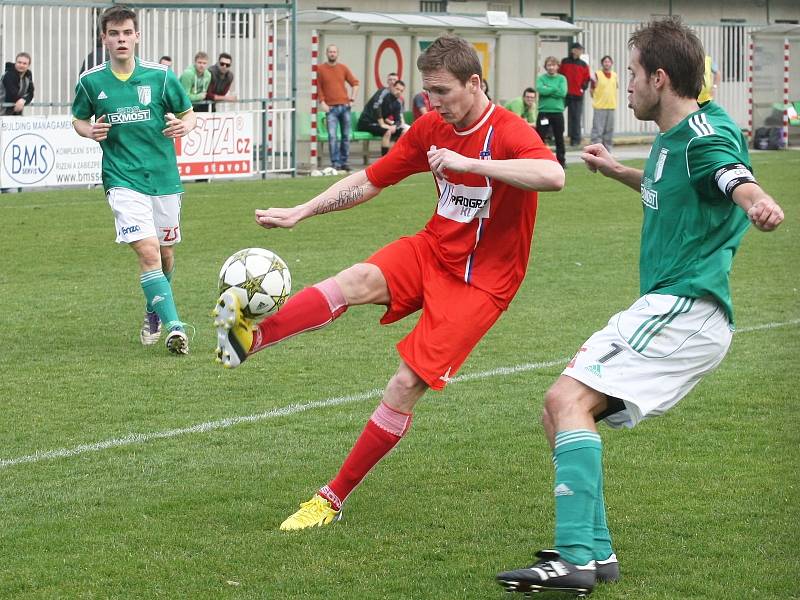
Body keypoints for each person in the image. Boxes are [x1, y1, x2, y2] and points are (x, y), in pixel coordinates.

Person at [213, 34, 565, 531]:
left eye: (442, 91)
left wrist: (471, 164)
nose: (432, 101)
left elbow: (552, 176)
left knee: (403, 384)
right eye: (428, 91)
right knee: (353, 280)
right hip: (433, 249)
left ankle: (330, 499)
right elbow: (371, 179)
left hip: (483, 283)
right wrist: (303, 211)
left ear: (475, 83)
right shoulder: (429, 127)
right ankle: (250, 336)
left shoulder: (507, 131)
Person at [496, 17, 784, 596]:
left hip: (689, 303)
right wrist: (617, 171)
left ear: (660, 77)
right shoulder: (671, 140)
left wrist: (756, 201)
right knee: (556, 412)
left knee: (565, 398)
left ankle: (576, 560)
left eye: (630, 74)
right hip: (672, 304)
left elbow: (731, 174)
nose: (623, 85)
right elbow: (674, 185)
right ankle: (595, 553)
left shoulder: (705, 134)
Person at [72, 6, 197, 355]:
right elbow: (78, 119)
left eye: (127, 32)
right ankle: (175, 326)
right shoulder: (91, 81)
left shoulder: (161, 77)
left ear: (137, 36)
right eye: (114, 34)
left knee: (166, 253)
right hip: (121, 178)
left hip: (164, 179)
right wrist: (89, 130)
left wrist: (183, 126)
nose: (121, 39)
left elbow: (188, 115)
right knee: (147, 251)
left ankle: (154, 308)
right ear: (104, 39)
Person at [317, 44, 360, 171]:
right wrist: (322, 102)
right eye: (330, 52)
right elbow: (318, 87)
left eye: (334, 52)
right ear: (326, 53)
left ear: (337, 53)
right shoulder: (320, 69)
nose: (332, 54)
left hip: (345, 106)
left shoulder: (343, 68)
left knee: (346, 136)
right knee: (332, 136)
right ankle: (335, 162)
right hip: (330, 108)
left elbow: (355, 83)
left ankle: (344, 161)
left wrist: (352, 99)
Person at [357, 79, 408, 157]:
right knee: (387, 131)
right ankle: (384, 159)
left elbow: (398, 120)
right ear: (393, 87)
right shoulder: (383, 92)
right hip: (366, 122)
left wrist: (395, 126)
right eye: (397, 89)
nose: (399, 92)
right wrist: (382, 123)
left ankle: (395, 156)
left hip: (379, 124)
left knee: (403, 131)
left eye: (401, 91)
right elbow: (376, 106)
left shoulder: (397, 103)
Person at [536, 56, 567, 167]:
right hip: (544, 112)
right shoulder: (541, 78)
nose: (551, 67)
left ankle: (561, 161)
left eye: (553, 65)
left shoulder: (562, 79)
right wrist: (555, 88)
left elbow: (563, 93)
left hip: (557, 112)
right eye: (549, 65)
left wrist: (548, 88)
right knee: (540, 137)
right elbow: (540, 90)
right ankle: (538, 160)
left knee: (559, 137)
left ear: (557, 66)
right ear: (545, 66)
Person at [559, 42, 591, 147]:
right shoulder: (564, 62)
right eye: (578, 49)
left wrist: (583, 87)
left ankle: (575, 140)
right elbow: (560, 75)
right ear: (573, 50)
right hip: (564, 94)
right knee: (556, 114)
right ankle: (551, 135)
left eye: (581, 50)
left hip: (577, 95)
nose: (580, 51)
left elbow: (587, 78)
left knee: (576, 118)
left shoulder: (583, 64)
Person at [589, 55, 618, 150]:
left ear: (611, 63)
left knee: (609, 131)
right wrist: (597, 99)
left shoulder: (615, 75)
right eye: (605, 61)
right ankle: (596, 151)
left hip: (611, 106)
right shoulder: (596, 74)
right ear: (602, 63)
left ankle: (608, 152)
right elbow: (591, 90)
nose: (607, 63)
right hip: (599, 107)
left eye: (609, 61)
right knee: (597, 131)